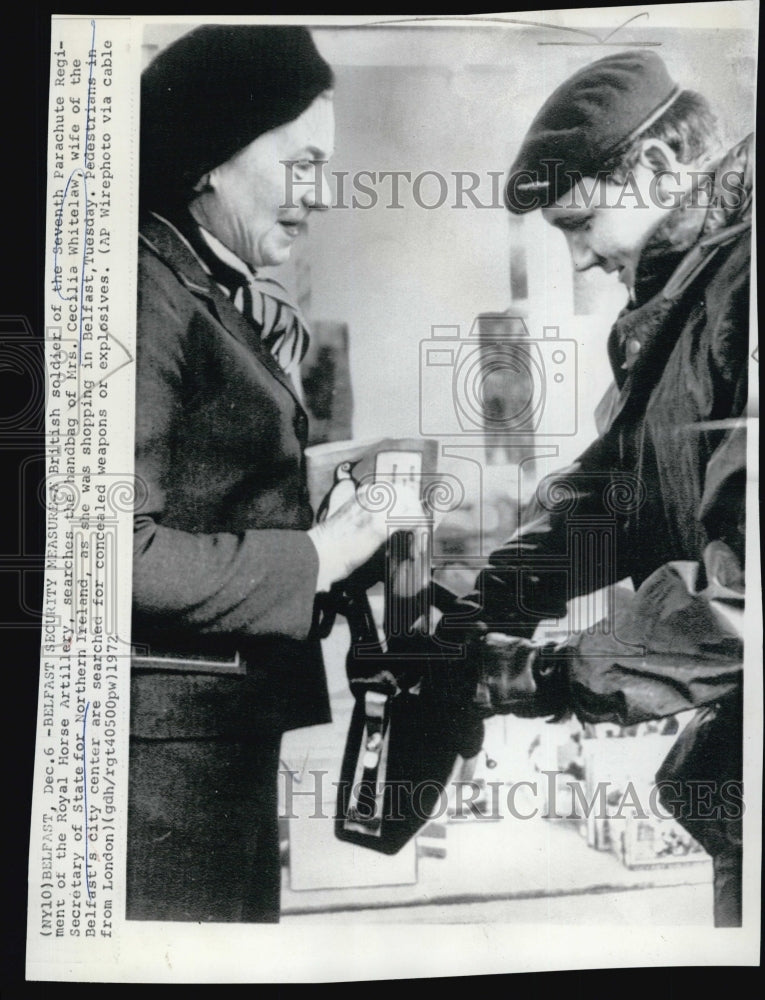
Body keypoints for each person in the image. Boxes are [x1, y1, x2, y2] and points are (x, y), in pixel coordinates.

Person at [439, 50, 751, 927]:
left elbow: (744, 587)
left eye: (579, 224)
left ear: (657, 166)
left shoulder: (744, 288)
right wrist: (495, 590)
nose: (578, 258)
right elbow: (622, 491)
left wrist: (546, 676)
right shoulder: (686, 299)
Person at [128, 25, 420, 923]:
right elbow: (99, 550)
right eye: (301, 163)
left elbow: (193, 483)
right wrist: (322, 554)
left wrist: (317, 489)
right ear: (211, 156)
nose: (320, 195)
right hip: (156, 772)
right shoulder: (140, 288)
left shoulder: (193, 285)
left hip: (205, 745)